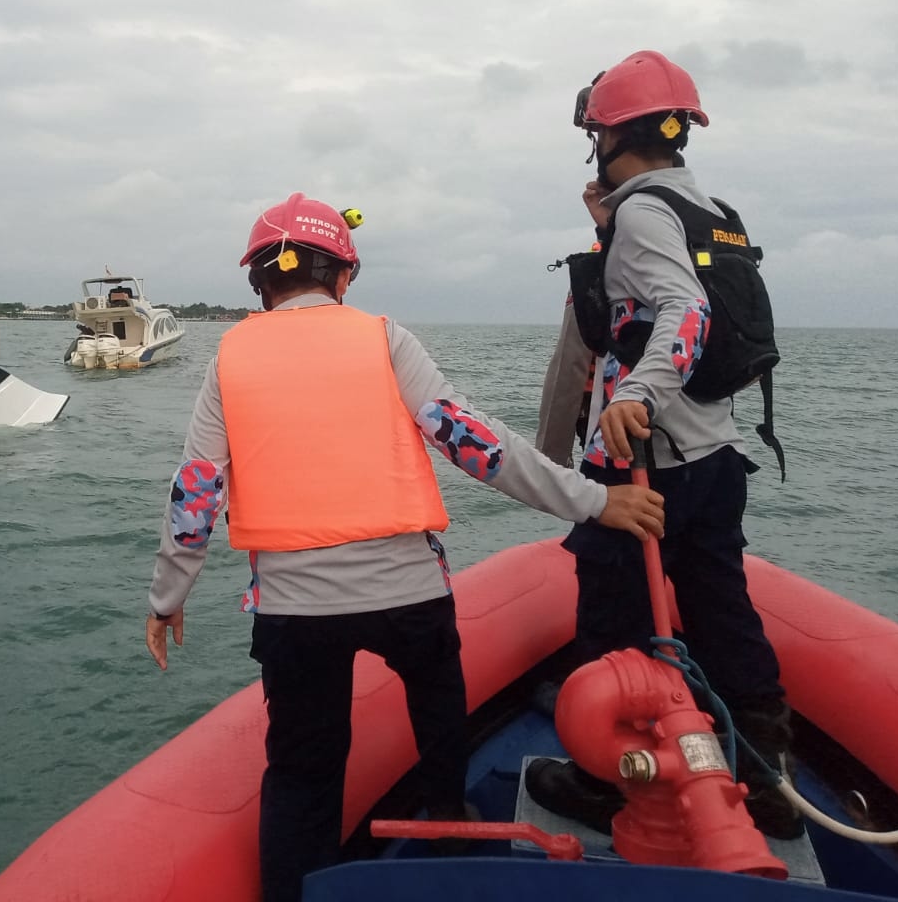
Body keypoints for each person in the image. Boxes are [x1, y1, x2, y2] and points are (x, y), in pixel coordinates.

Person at [143, 192, 665, 902]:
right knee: (440, 711)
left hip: (296, 612)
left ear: (260, 284)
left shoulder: (228, 357)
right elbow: (477, 444)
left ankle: (296, 886)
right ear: (344, 276)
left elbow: (197, 491)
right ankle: (448, 817)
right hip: (408, 595)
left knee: (300, 774)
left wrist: (167, 596)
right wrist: (597, 500)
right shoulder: (385, 339)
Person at [525, 50, 800, 839]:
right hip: (715, 457)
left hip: (646, 466)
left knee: (609, 622)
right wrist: (606, 230)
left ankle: (603, 781)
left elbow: (684, 310)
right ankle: (770, 784)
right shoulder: (707, 208)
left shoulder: (644, 213)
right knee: (723, 614)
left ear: (610, 136)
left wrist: (637, 394)